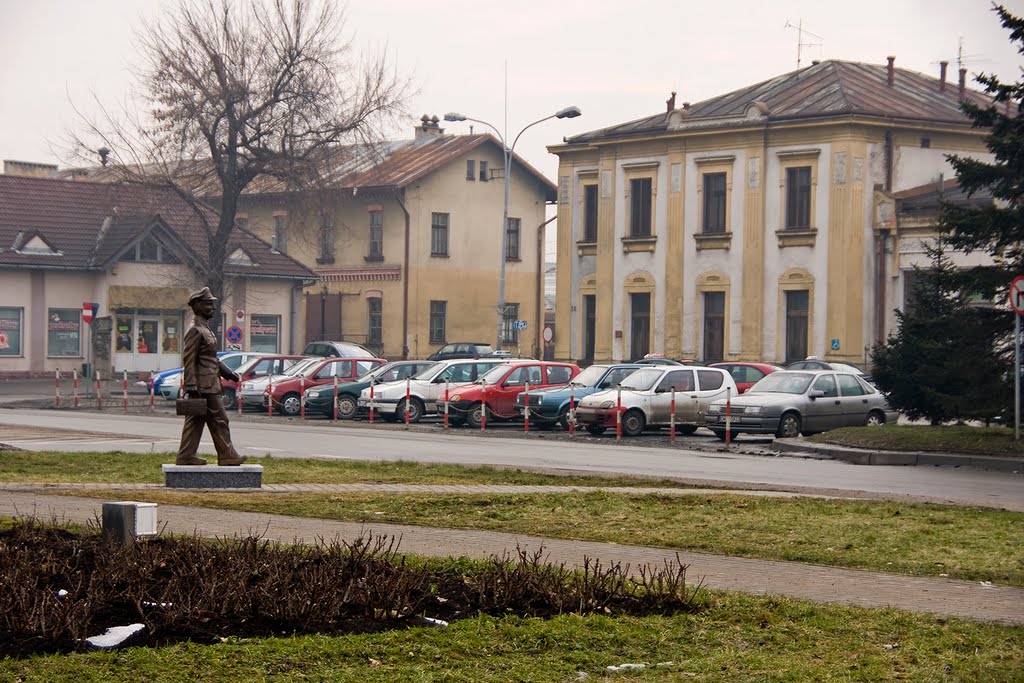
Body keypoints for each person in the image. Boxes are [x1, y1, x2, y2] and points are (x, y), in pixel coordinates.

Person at [175, 286, 246, 466]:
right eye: (208, 304)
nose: (213, 308)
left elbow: (211, 358)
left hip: (209, 382)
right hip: (203, 384)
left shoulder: (205, 328)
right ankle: (227, 455)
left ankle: (186, 455)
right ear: (197, 305)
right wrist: (190, 384)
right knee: (220, 419)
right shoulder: (195, 330)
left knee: (195, 420)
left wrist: (228, 374)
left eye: (213, 304)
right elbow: (189, 359)